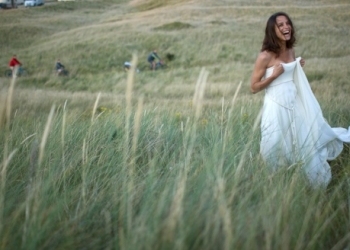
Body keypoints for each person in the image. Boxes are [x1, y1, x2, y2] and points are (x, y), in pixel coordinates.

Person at [250, 12, 350, 188]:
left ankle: (299, 179)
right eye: (280, 25)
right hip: (275, 107)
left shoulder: (290, 50)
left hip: (294, 104)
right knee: (275, 144)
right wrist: (273, 76)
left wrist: (296, 65)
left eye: (287, 23)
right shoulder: (265, 56)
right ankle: (276, 182)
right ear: (272, 30)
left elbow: (288, 74)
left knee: (300, 139)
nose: (285, 27)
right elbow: (254, 87)